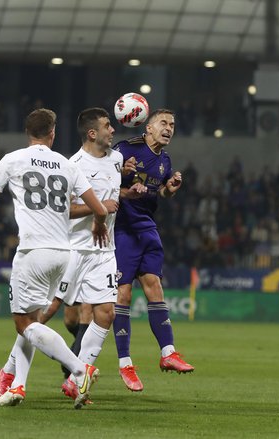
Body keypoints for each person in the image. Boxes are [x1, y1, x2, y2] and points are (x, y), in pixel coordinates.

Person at [0, 108, 108, 409]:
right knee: (33, 321)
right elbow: (100, 209)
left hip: (32, 253)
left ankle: (81, 369)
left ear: (28, 132)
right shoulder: (66, 164)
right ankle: (18, 386)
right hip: (63, 254)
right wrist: (97, 224)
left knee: (23, 324)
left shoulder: (14, 159)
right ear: (52, 133)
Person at [0, 107, 137, 402]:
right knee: (43, 315)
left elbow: (111, 194)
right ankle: (9, 371)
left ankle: (78, 377)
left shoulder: (117, 159)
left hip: (103, 249)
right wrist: (99, 210)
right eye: (108, 126)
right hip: (73, 248)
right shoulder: (73, 164)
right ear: (92, 133)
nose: (113, 130)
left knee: (106, 313)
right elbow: (65, 210)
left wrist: (126, 193)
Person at [111, 108, 194, 392]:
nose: (169, 128)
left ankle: (168, 353)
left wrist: (171, 187)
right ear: (148, 127)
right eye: (163, 123)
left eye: (172, 124)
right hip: (122, 228)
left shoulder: (165, 160)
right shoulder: (125, 149)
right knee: (123, 292)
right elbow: (101, 184)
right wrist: (121, 175)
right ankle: (125, 364)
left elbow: (161, 194)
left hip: (147, 228)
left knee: (154, 285)